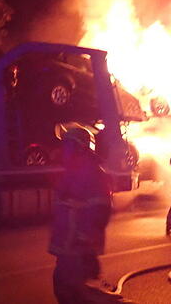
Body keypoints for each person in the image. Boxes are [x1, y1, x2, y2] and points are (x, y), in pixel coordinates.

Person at [48, 126, 117, 303]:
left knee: (80, 296)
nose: (64, 151)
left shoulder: (94, 175)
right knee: (65, 292)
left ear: (80, 148)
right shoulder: (70, 173)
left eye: (68, 146)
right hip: (66, 250)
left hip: (80, 251)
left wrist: (85, 242)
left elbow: (101, 210)